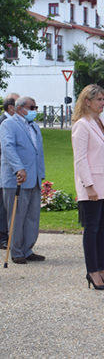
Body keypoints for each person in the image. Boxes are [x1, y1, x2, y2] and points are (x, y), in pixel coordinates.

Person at [72, 85, 104, 290]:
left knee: (103, 229)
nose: (102, 103)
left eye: (103, 99)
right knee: (91, 230)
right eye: (98, 99)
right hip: (92, 185)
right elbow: (80, 159)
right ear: (87, 101)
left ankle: (103, 269)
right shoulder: (82, 125)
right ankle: (92, 271)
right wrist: (89, 185)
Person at [0, 96, 45, 263]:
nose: (34, 110)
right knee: (17, 216)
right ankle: (17, 251)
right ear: (20, 108)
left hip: (34, 178)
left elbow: (38, 152)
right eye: (32, 107)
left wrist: (41, 173)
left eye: (35, 107)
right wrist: (19, 168)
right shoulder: (8, 124)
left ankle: (28, 248)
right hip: (16, 179)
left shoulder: (34, 127)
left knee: (32, 216)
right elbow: (8, 148)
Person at [0, 94, 20, 250]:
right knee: (3, 204)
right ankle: (3, 237)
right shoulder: (4, 122)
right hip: (5, 169)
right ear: (11, 107)